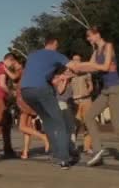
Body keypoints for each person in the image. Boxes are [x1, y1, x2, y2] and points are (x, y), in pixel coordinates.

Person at [20, 36, 88, 169]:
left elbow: (45, 77)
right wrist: (92, 67)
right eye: (57, 45)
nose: (58, 47)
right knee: (60, 123)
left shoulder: (33, 55)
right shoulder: (55, 55)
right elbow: (75, 67)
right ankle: (64, 159)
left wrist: (62, 77)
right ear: (54, 44)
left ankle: (55, 153)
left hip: (26, 91)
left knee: (48, 121)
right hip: (41, 90)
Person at [83, 26, 119, 170]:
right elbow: (91, 67)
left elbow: (105, 66)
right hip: (106, 90)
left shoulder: (108, 46)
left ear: (97, 34)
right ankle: (97, 150)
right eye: (87, 37)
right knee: (89, 116)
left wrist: (94, 66)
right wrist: (72, 70)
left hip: (116, 89)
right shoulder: (96, 51)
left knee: (116, 122)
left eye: (89, 36)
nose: (88, 39)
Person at [14, 62, 49, 159]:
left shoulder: (22, 71)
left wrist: (4, 67)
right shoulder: (31, 73)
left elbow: (13, 77)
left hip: (24, 102)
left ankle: (43, 137)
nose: (14, 66)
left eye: (16, 64)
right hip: (29, 101)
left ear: (21, 65)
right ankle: (25, 152)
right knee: (27, 128)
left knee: (22, 127)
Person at [69, 54, 93, 153]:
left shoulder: (86, 73)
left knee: (88, 124)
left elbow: (91, 87)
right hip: (75, 103)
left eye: (78, 60)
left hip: (86, 101)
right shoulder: (70, 74)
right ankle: (72, 146)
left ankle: (87, 147)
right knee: (75, 125)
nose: (76, 62)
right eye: (74, 60)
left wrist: (86, 92)